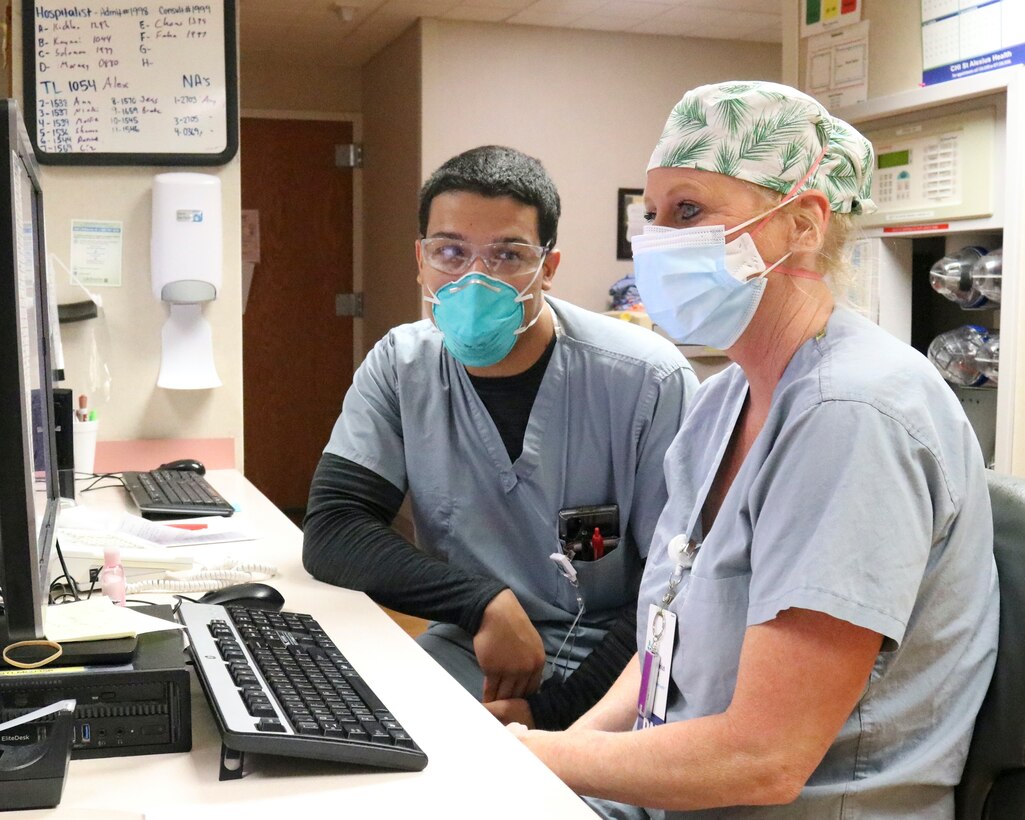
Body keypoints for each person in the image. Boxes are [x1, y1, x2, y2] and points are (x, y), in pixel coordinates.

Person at [510, 81, 999, 817]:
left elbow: (765, 757)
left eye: (688, 212)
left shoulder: (850, 414)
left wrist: (528, 757)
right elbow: (664, 645)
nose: (657, 243)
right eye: (653, 217)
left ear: (802, 224)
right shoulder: (723, 401)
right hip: (677, 792)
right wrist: (550, 767)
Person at [302, 145, 698, 729]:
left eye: (508, 255)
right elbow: (334, 528)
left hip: (619, 662)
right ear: (420, 260)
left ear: (548, 266)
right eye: (450, 252)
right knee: (365, 732)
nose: (474, 279)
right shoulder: (402, 367)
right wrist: (479, 600)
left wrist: (551, 714)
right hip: (476, 645)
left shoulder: (646, 381)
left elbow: (675, 590)